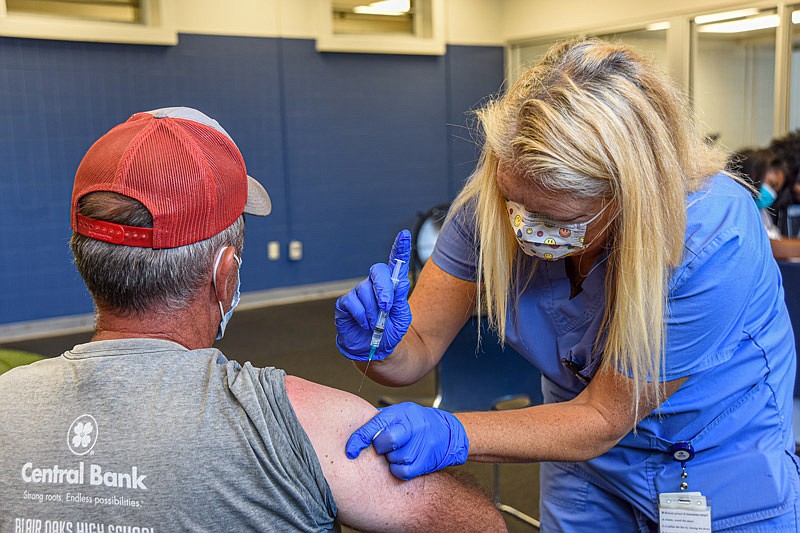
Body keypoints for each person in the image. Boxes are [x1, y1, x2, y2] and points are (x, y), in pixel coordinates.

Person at [334, 39, 800, 531]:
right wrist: (380, 346)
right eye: (515, 202)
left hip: (708, 456)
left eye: (553, 216)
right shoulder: (488, 210)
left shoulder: (709, 235)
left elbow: (602, 416)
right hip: (580, 459)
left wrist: (454, 431)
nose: (522, 228)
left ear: (627, 197)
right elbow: (419, 348)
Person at [0, 107, 506, 532]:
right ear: (226, 273)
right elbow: (481, 526)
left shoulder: (8, 403)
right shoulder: (300, 425)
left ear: (84, 258)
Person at [731, 148, 800, 259]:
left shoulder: (762, 212)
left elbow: (775, 238)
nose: (772, 194)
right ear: (751, 174)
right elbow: (766, 246)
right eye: (771, 184)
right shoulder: (734, 208)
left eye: (776, 189)